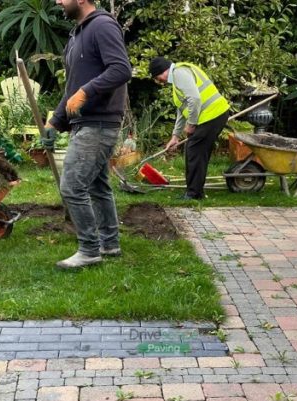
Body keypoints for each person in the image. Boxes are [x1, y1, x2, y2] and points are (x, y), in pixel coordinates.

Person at [46, 0, 132, 269]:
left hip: (99, 122)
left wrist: (87, 92)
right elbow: (73, 87)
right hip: (86, 122)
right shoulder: (76, 34)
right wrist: (55, 122)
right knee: (98, 186)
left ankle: (89, 250)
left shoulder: (103, 26)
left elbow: (121, 69)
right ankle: (110, 243)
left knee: (72, 186)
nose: (58, 1)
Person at [150, 57, 230, 200]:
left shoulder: (179, 73)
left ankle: (194, 194)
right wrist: (175, 136)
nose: (159, 81)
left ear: (163, 71)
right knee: (196, 152)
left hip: (212, 115)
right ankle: (195, 191)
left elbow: (195, 99)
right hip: (211, 115)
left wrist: (191, 124)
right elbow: (182, 110)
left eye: (157, 77)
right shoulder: (177, 77)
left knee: (194, 150)